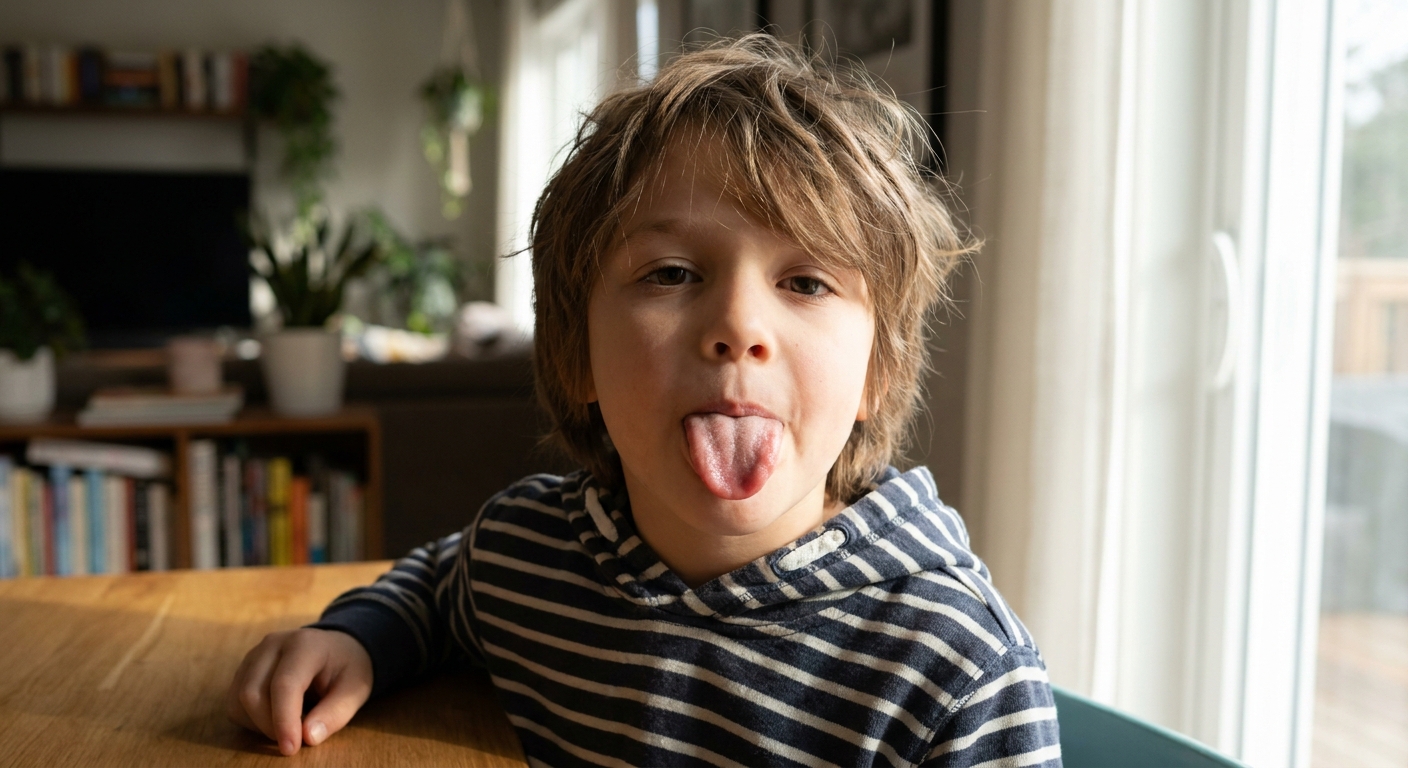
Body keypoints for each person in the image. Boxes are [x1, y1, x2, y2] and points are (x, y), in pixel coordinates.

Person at [226, 34, 1061, 767]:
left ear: (876, 373)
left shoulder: (956, 675)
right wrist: (356, 639)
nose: (738, 326)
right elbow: (442, 587)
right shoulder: (525, 557)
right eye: (670, 275)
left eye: (806, 282)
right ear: (576, 354)